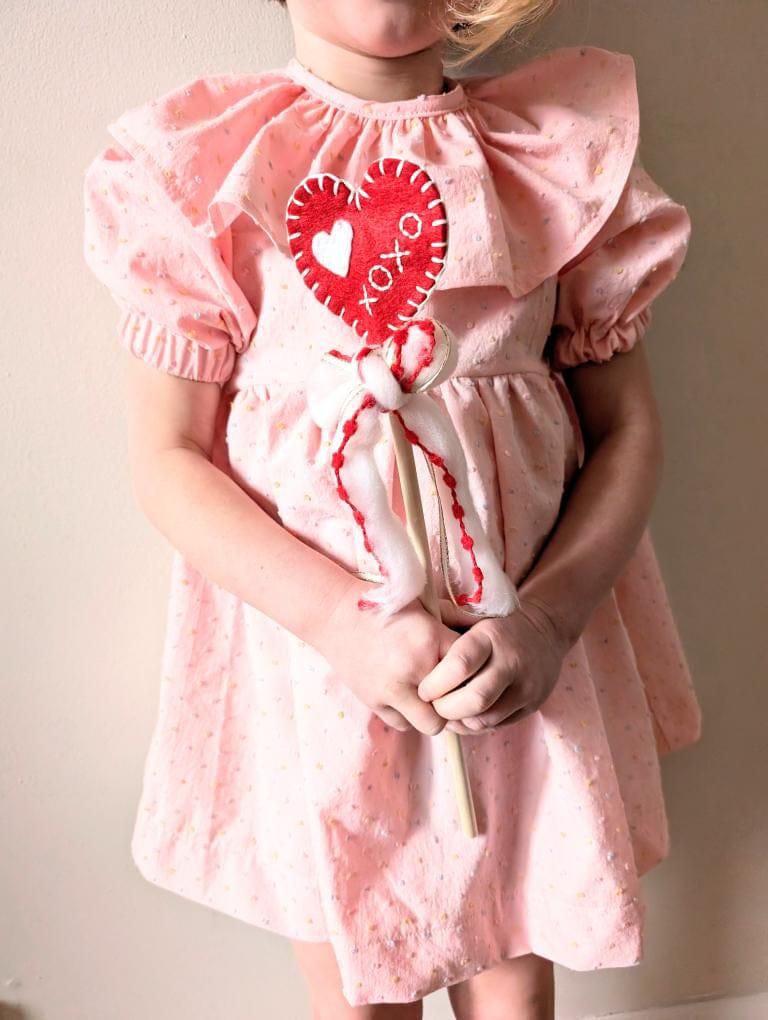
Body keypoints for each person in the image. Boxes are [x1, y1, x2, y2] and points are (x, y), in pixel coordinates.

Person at [82, 1, 703, 1016]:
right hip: (321, 684)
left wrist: (546, 620)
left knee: (514, 965)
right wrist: (338, 624)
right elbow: (165, 459)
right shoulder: (207, 174)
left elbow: (628, 431)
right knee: (359, 985)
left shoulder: (553, 163)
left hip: (518, 663)